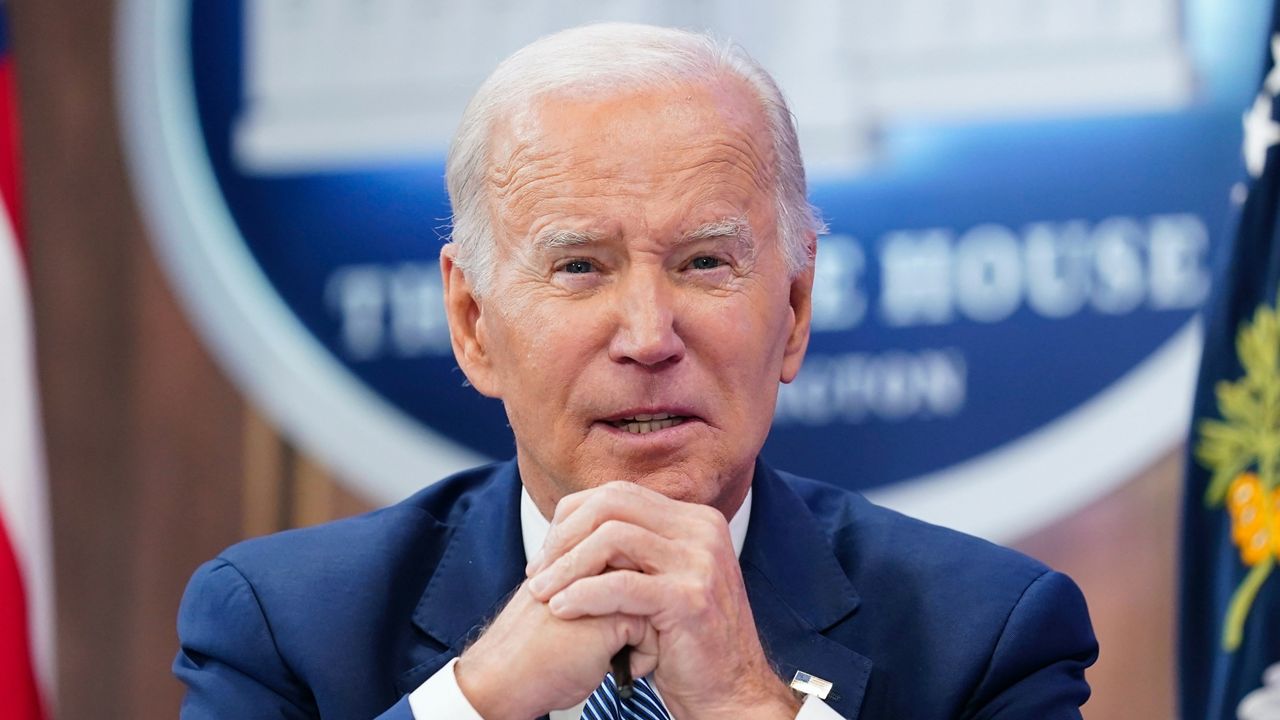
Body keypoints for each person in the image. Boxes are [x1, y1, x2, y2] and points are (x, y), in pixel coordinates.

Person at [174, 22, 1097, 719]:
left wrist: (746, 699)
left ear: (796, 311)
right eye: (579, 266)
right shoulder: (281, 627)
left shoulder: (987, 637)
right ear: (472, 321)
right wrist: (479, 698)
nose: (649, 335)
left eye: (704, 263)